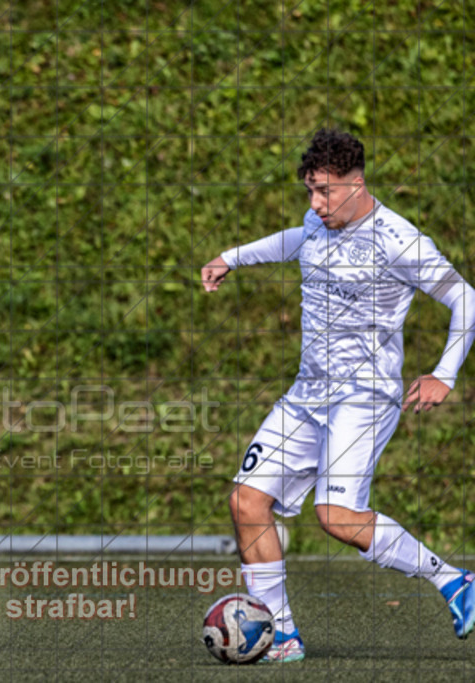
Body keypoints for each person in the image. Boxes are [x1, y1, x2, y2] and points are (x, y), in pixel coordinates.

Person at [201, 129, 475, 662]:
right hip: (307, 395)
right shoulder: (316, 223)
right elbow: (293, 239)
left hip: (364, 399)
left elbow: (465, 298)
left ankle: (457, 582)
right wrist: (231, 257)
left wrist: (445, 373)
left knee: (338, 518)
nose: (315, 203)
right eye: (309, 190)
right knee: (246, 501)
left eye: (324, 191)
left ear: (357, 183)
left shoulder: (398, 240)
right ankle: (280, 636)